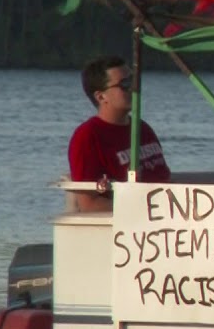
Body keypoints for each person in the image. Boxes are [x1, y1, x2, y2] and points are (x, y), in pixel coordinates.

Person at [67, 55, 171, 212]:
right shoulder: (88, 137)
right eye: (125, 84)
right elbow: (89, 204)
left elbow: (164, 178)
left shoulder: (142, 129)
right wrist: (147, 211)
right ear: (101, 96)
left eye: (133, 81)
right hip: (129, 228)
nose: (133, 89)